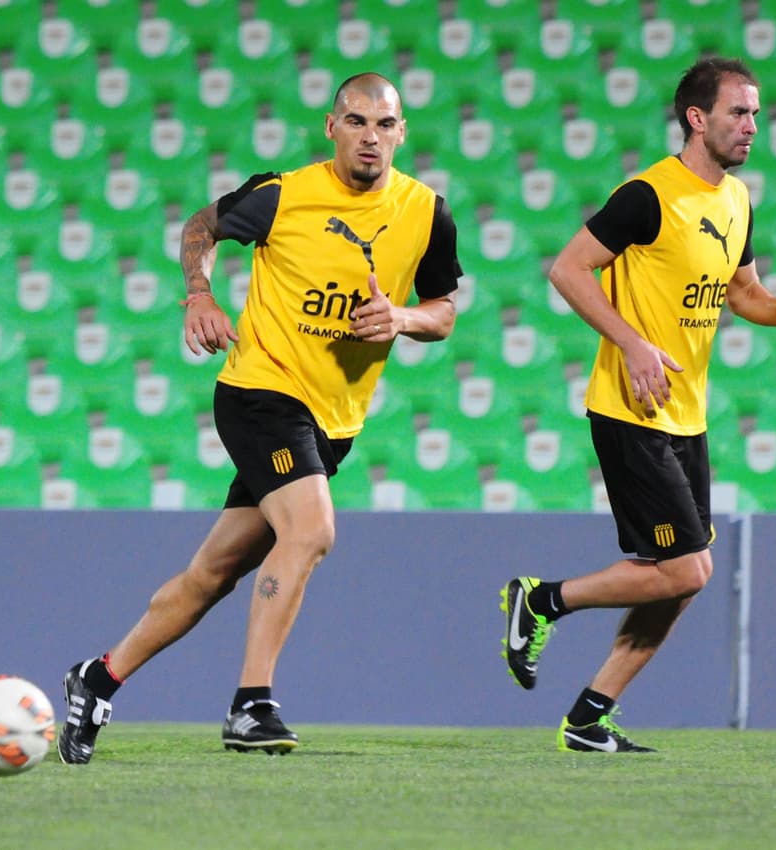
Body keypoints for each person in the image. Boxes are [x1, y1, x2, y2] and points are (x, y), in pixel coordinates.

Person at [59, 72, 461, 763]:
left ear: (401, 133)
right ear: (330, 127)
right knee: (311, 531)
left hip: (335, 422)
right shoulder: (285, 195)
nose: (371, 136)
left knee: (212, 574)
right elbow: (200, 227)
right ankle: (252, 703)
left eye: (385, 125)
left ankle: (99, 676)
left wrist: (400, 317)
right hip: (261, 393)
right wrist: (199, 295)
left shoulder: (427, 212)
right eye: (357, 121)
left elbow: (445, 312)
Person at [500, 57, 776, 752]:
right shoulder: (648, 195)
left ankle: (590, 716)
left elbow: (743, 293)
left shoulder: (737, 199)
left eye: (757, 114)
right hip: (629, 407)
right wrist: (631, 343)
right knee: (688, 568)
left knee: (677, 581)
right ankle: (540, 600)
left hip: (687, 414)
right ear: (697, 118)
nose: (752, 126)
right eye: (739, 113)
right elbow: (566, 268)